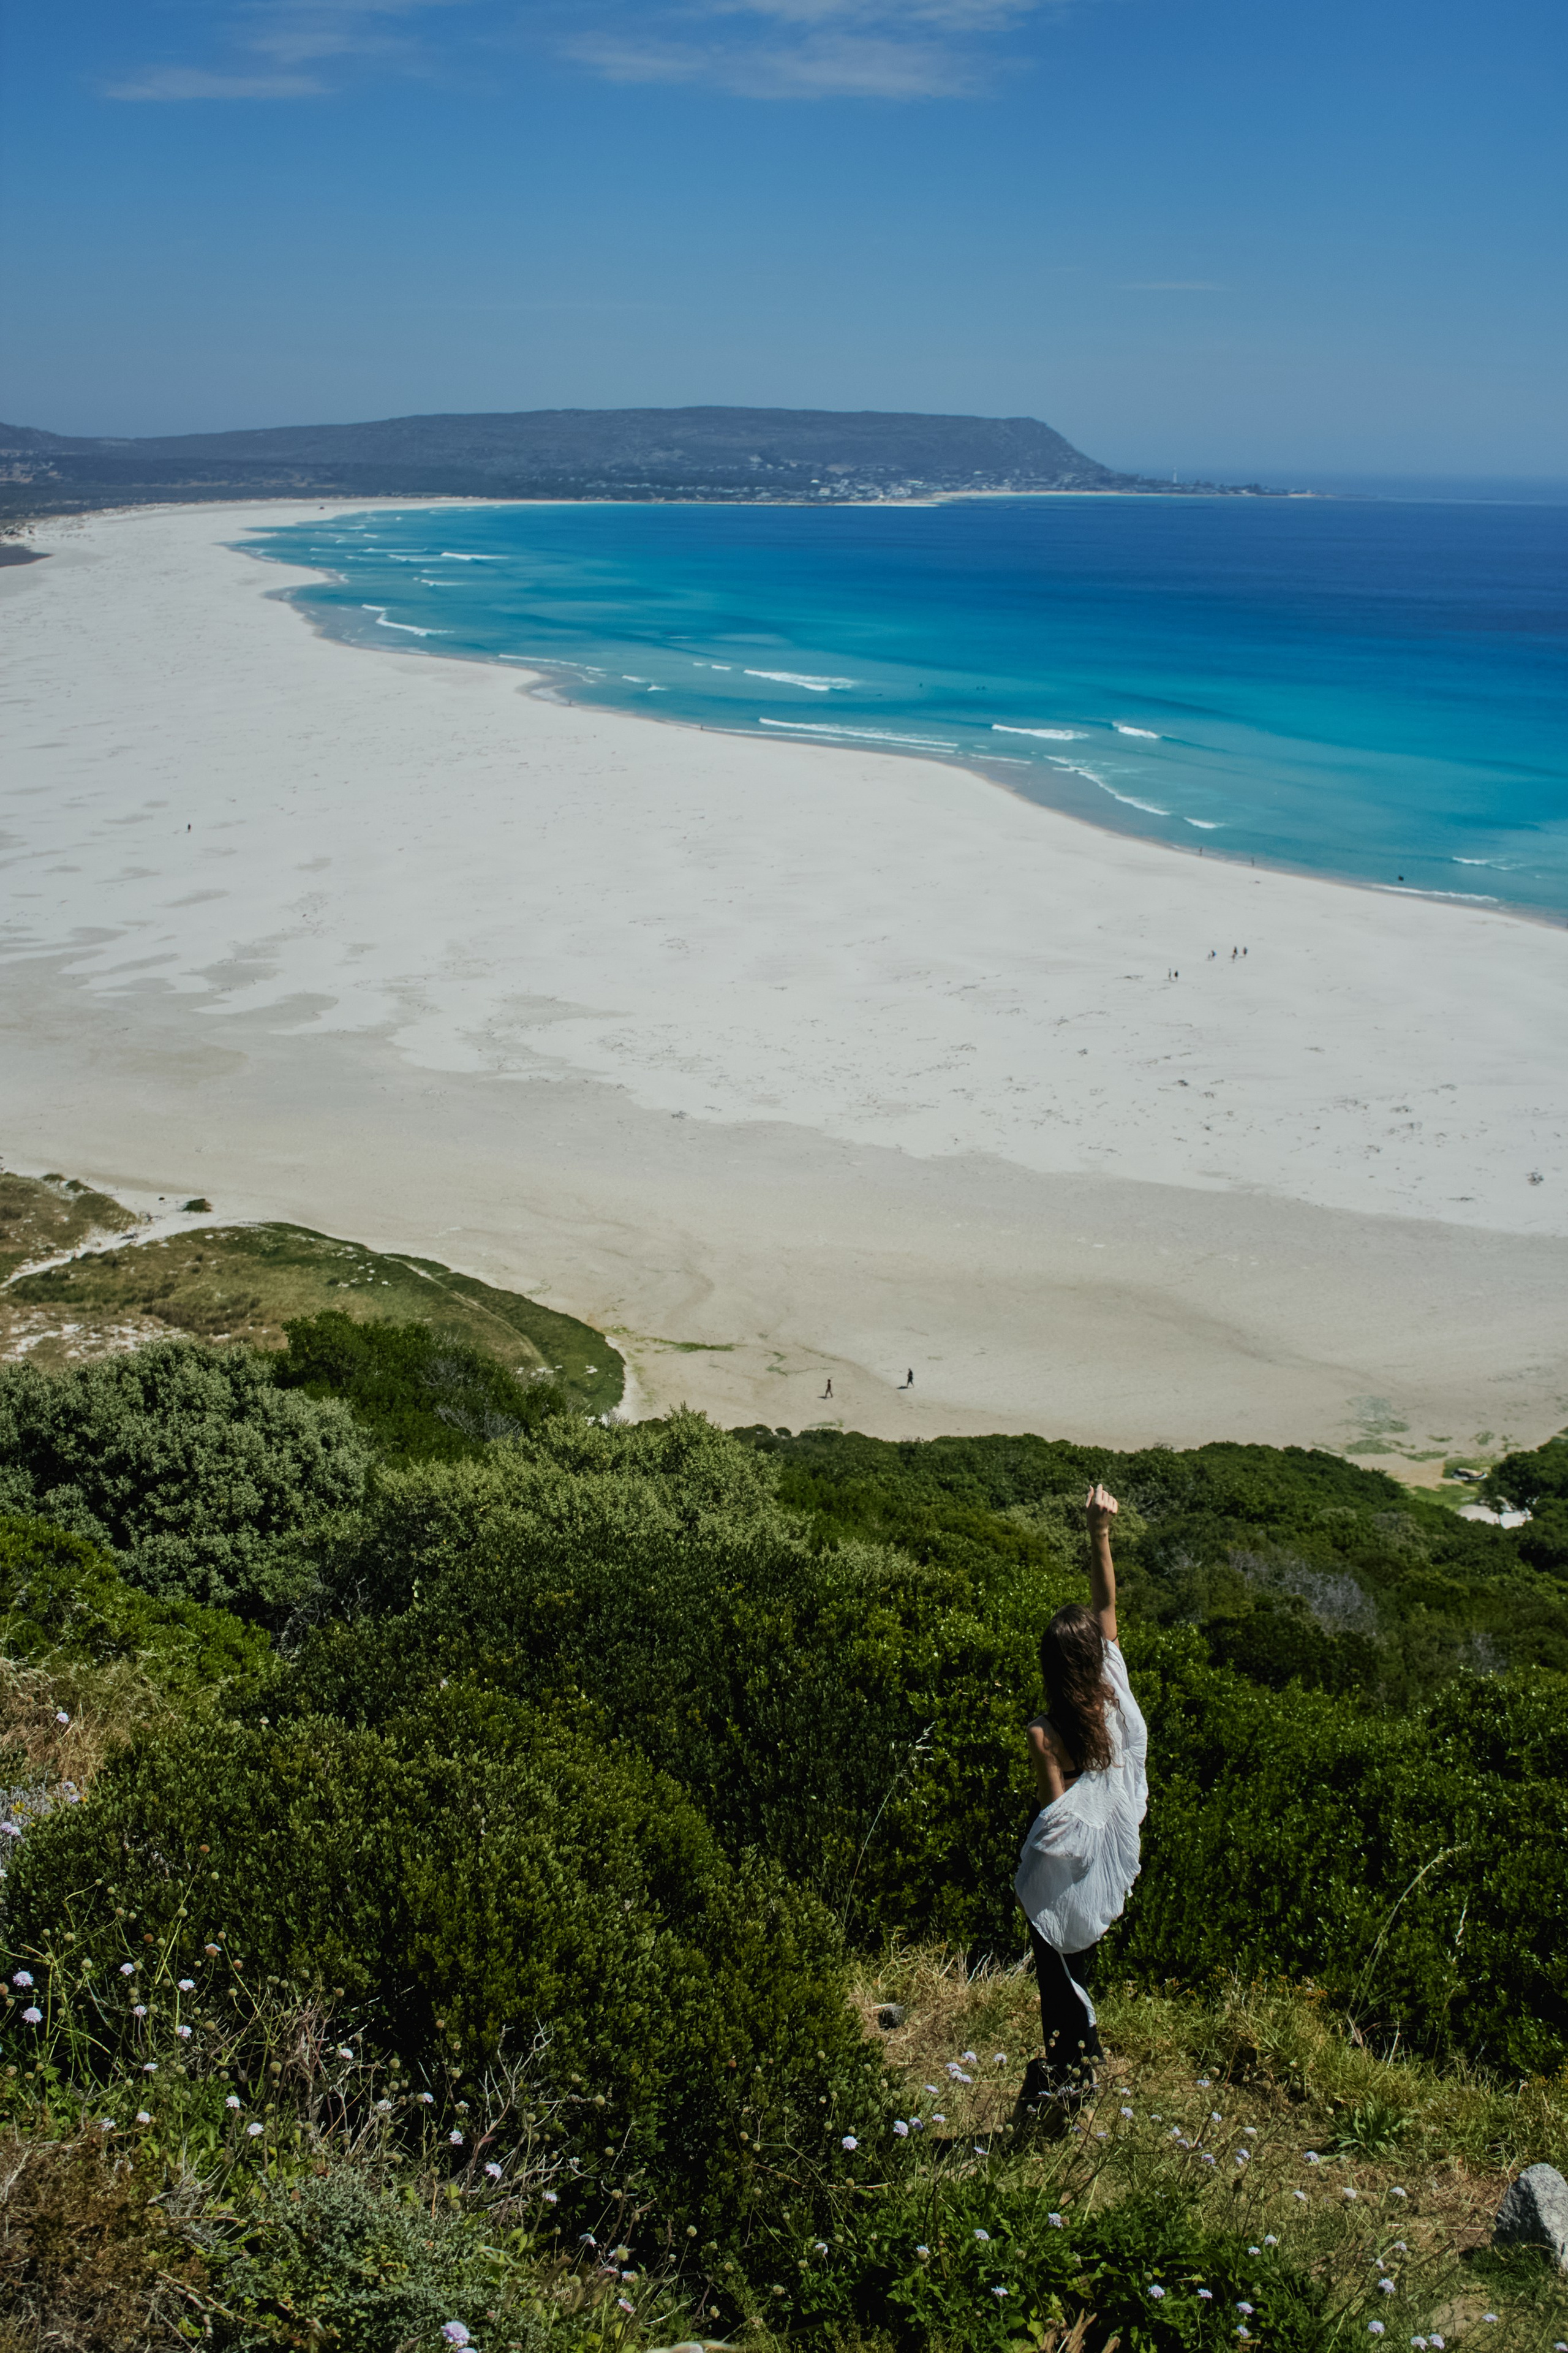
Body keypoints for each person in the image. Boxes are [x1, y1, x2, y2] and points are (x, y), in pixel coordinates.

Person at [1012, 1483, 1148, 2128]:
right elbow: (1106, 1600)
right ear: (1092, 1656)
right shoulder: (1110, 1692)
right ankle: (1070, 2073)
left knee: (1058, 1979)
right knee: (1083, 1967)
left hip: (1069, 1867)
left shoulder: (1045, 1734)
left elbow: (1055, 1822)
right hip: (1111, 1853)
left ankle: (1067, 2081)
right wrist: (1098, 1532)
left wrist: (1039, 1884)